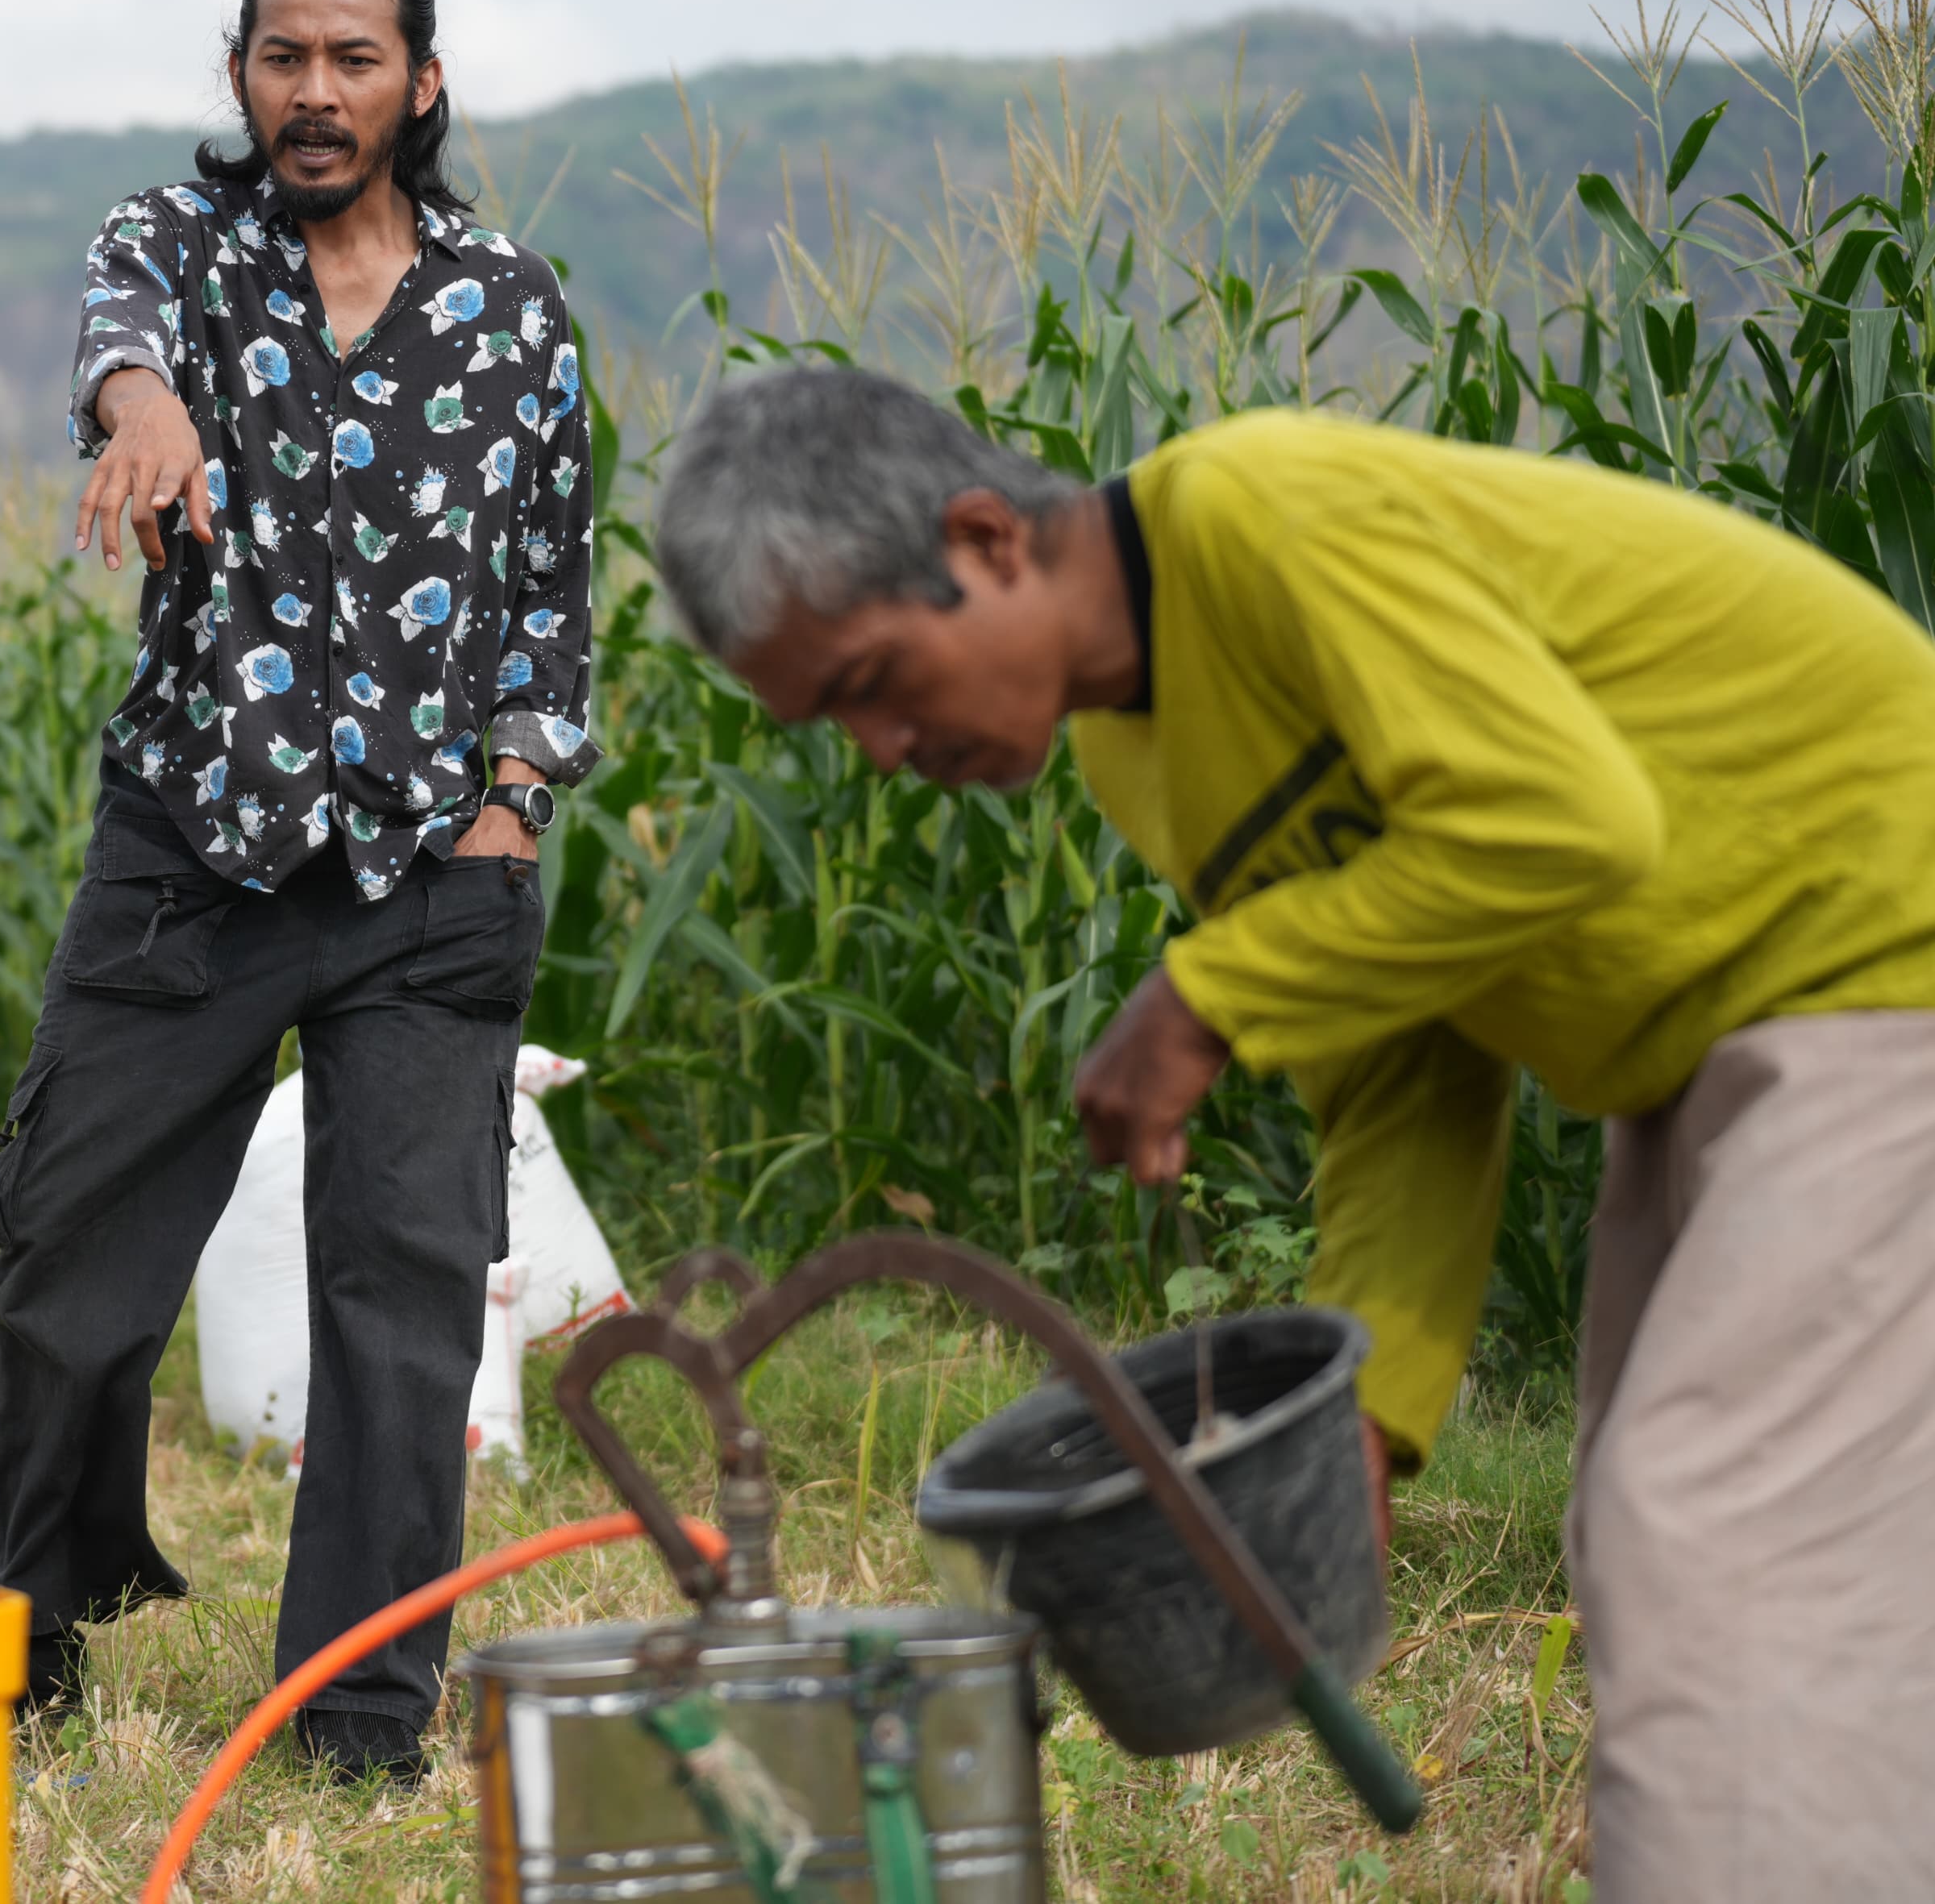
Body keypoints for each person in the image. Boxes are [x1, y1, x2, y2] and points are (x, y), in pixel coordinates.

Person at [649, 361, 1935, 1900]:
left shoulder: (1259, 516)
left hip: (1880, 943)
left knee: (1709, 1532)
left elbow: (1565, 820)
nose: (877, 747)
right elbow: (1407, 1063)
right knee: (1663, 1542)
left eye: (868, 679)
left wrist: (1206, 989)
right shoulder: (1142, 745)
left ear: (988, 540)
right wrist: (1365, 1428)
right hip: (1717, 1042)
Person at [0, 0, 600, 1781]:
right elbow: (119, 333)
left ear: (420, 81)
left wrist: (511, 802)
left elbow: (552, 597)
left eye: (350, 58)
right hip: (193, 857)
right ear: (240, 77)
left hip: (433, 880)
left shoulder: (511, 310)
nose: (312, 91)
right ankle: (38, 1632)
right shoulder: (174, 252)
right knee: (65, 1265)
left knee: (402, 1315)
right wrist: (144, 406)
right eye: (278, 56)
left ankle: (360, 1717)